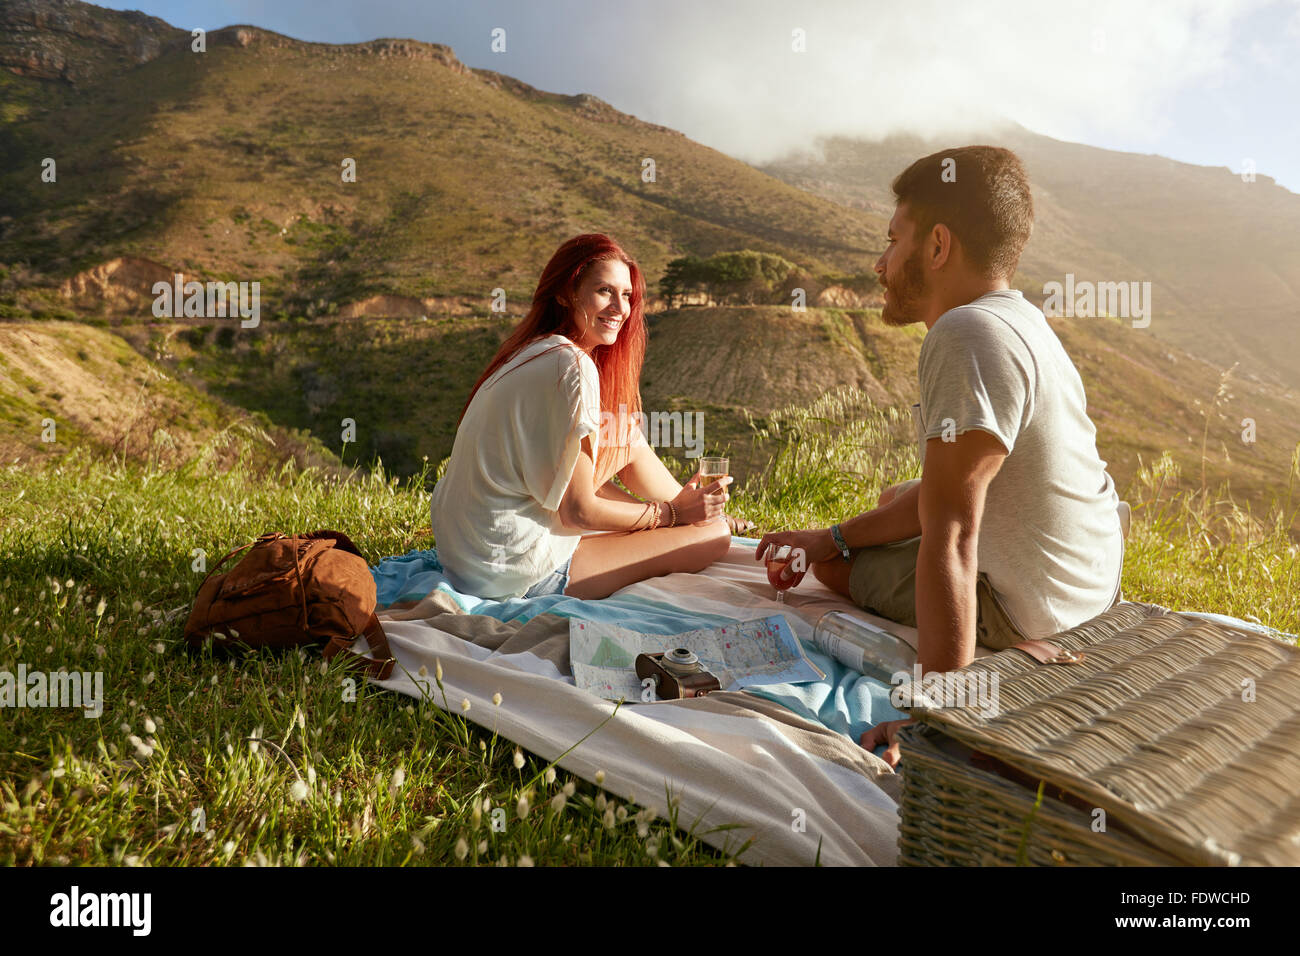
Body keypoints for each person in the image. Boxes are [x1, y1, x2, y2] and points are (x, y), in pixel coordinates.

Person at [756, 146, 1126, 766]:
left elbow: (951, 533)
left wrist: (938, 717)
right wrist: (831, 532)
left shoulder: (963, 334)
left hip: (1035, 611)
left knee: (840, 571)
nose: (879, 263)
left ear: (937, 247)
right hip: (1093, 583)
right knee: (896, 498)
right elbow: (939, 498)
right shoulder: (1020, 319)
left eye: (892, 240)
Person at [431, 233, 745, 602]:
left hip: (468, 557)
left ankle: (693, 510)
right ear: (565, 293)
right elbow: (578, 512)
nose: (620, 308)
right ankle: (696, 516)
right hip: (514, 569)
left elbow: (571, 482)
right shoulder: (571, 364)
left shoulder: (535, 352)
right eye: (604, 291)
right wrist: (669, 515)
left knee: (623, 434)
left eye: (626, 295)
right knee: (715, 537)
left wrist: (674, 511)